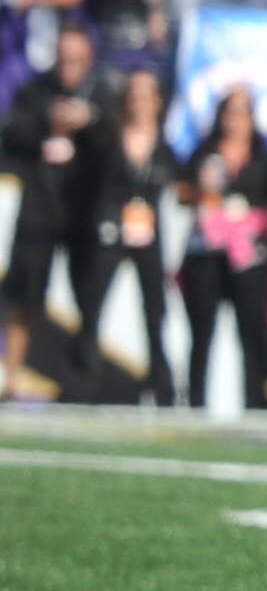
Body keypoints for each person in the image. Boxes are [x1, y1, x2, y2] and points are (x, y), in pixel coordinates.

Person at [71, 67, 181, 406]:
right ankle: (81, 385)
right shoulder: (109, 134)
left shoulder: (164, 143)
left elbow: (177, 179)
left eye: (146, 94)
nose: (139, 101)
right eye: (134, 94)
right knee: (92, 305)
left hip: (147, 229)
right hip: (111, 225)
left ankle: (162, 389)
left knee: (154, 310)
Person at [177, 81, 267, 413]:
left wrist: (263, 229)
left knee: (251, 332)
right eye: (230, 111)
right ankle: (195, 401)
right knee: (202, 331)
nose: (236, 119)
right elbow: (182, 190)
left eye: (243, 112)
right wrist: (204, 199)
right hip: (207, 252)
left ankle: (255, 401)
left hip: (248, 255)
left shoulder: (263, 156)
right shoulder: (205, 152)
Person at [3, 23, 100, 398]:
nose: (69, 66)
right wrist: (50, 119)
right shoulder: (35, 91)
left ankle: (81, 385)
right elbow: (13, 135)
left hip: (82, 211)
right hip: (39, 209)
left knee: (88, 300)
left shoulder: (99, 93)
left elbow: (110, 144)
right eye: (64, 58)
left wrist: (87, 122)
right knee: (23, 296)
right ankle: (10, 379)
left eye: (77, 59)